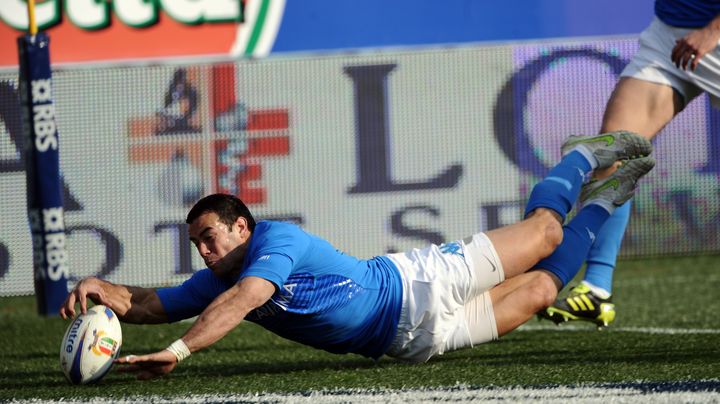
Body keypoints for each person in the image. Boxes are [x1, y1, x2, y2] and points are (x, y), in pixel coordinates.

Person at [60, 132, 654, 379]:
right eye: (196, 244)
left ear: (243, 226)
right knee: (544, 289)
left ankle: (578, 158)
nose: (204, 252)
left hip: (420, 283)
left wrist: (180, 350)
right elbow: (151, 304)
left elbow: (247, 299)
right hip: (412, 341)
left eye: (210, 237)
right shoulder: (220, 274)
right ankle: (604, 202)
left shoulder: (275, 242)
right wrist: (101, 288)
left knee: (546, 234)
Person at [539, 0, 720, 328]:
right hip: (670, 36)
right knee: (614, 150)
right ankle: (595, 289)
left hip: (713, 36)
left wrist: (713, 30)